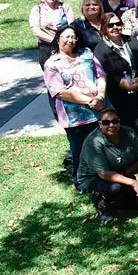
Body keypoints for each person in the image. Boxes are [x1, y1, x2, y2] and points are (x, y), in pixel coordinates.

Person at [44, 24, 106, 189]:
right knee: (79, 149)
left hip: (98, 109)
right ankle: (80, 181)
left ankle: (103, 175)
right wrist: (88, 100)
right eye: (67, 37)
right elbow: (60, 92)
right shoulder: (52, 64)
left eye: (74, 37)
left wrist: (100, 95)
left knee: (101, 146)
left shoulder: (86, 54)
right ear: (58, 39)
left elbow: (101, 75)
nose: (71, 40)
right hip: (75, 116)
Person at [78, 108, 138, 223]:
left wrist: (125, 175)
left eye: (115, 121)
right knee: (115, 188)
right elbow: (103, 173)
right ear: (99, 124)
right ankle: (101, 202)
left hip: (122, 172)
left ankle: (121, 198)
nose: (111, 125)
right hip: (94, 177)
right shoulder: (94, 141)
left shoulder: (129, 133)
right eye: (106, 122)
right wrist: (133, 182)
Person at [93, 12, 138, 136]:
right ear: (104, 28)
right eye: (110, 25)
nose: (115, 27)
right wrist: (129, 86)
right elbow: (111, 75)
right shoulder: (101, 50)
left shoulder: (131, 40)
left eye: (118, 24)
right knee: (130, 130)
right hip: (121, 98)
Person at [30, 0, 75, 68]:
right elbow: (36, 31)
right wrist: (54, 40)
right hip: (46, 48)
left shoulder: (65, 7)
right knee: (51, 76)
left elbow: (72, 26)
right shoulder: (37, 10)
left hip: (65, 47)